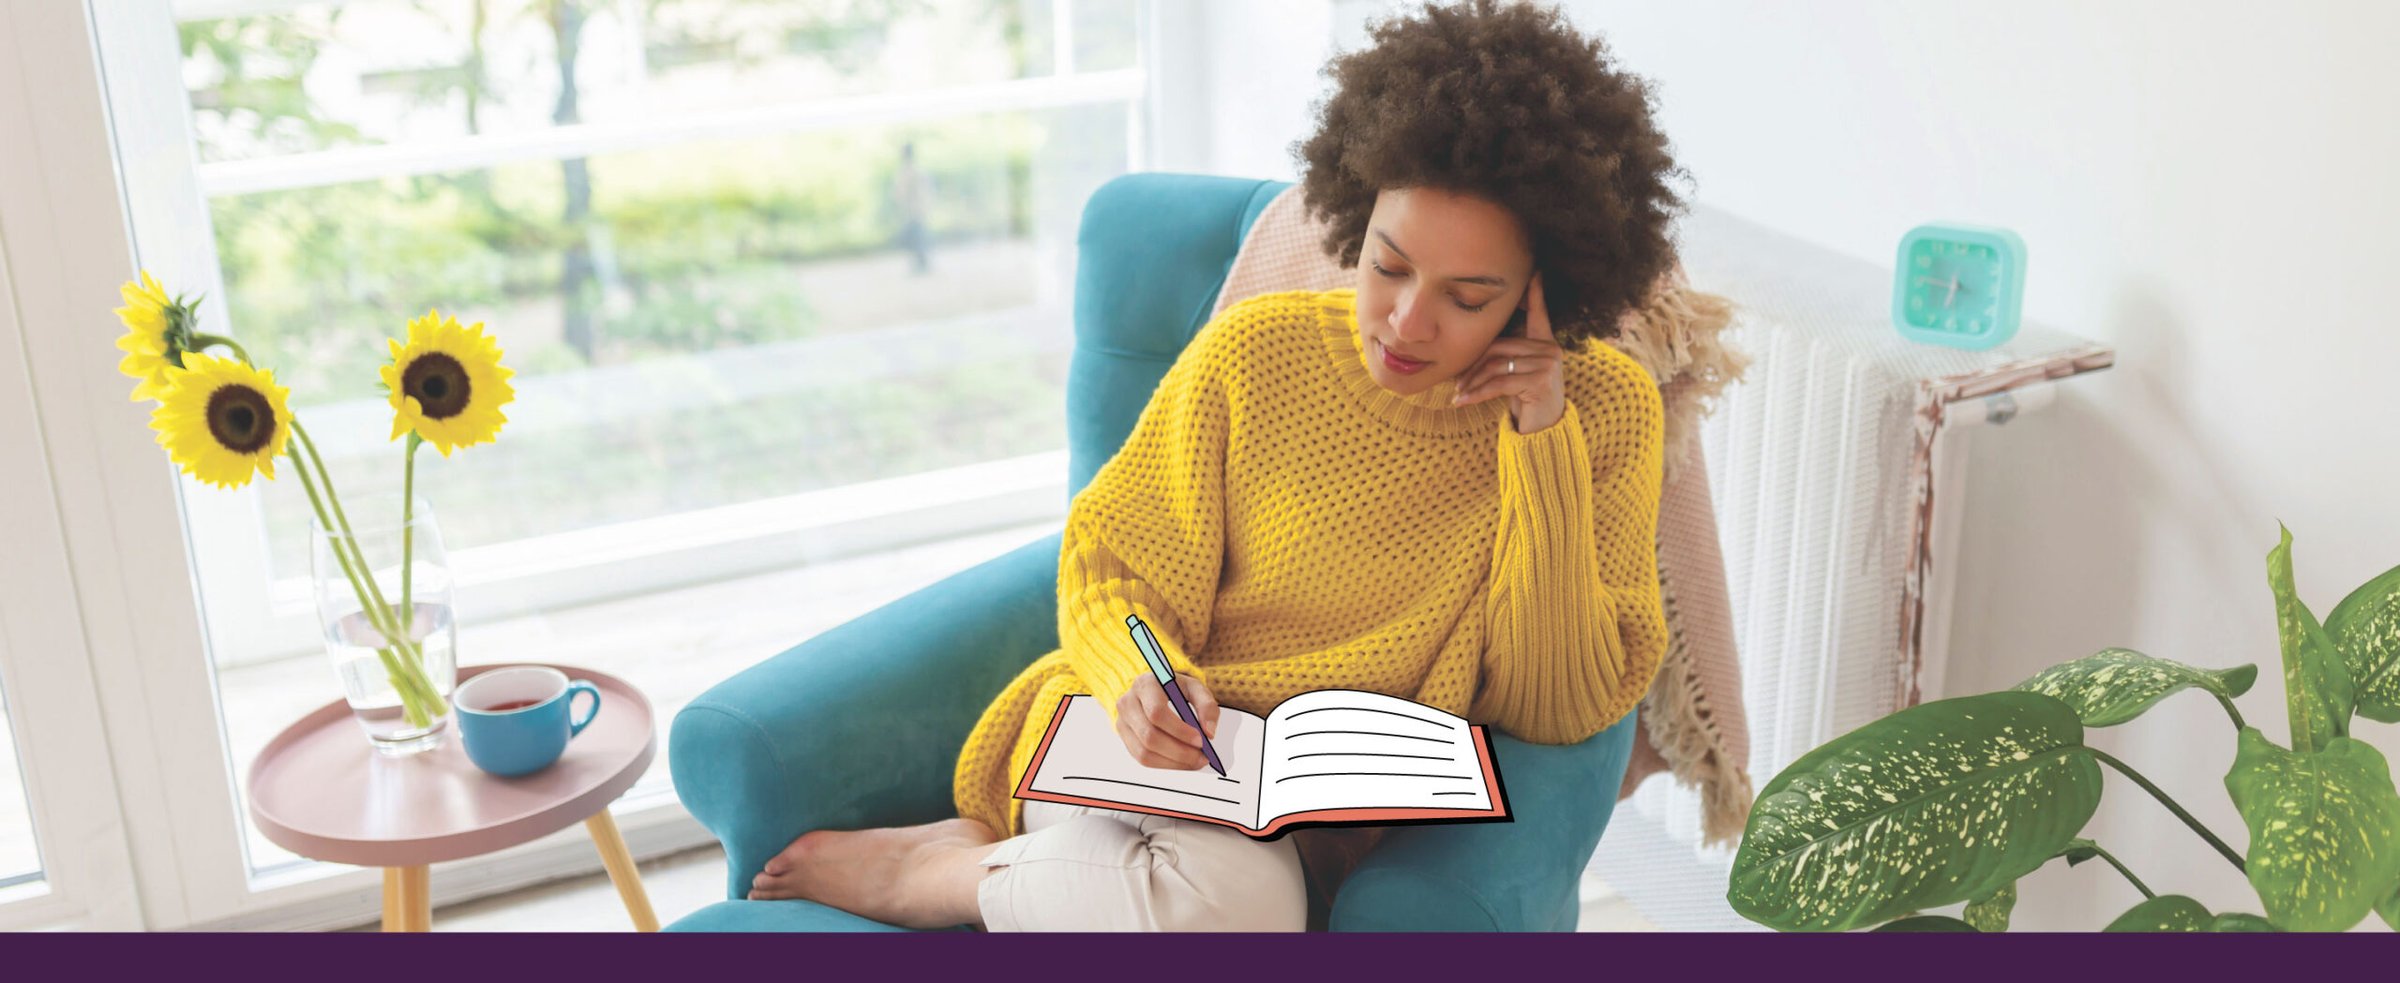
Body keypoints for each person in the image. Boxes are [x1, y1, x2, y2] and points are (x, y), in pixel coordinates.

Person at [744, 0, 1686, 931]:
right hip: (1140, 756)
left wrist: (1538, 443)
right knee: (1222, 903)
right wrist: (1135, 677)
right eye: (1386, 266)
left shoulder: (1597, 417)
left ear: (1541, 295)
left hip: (1309, 824)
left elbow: (1556, 706)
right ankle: (934, 877)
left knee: (1232, 901)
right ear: (1355, 220)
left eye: (1467, 296)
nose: (1404, 322)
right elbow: (1112, 566)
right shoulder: (1256, 354)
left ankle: (970, 867)